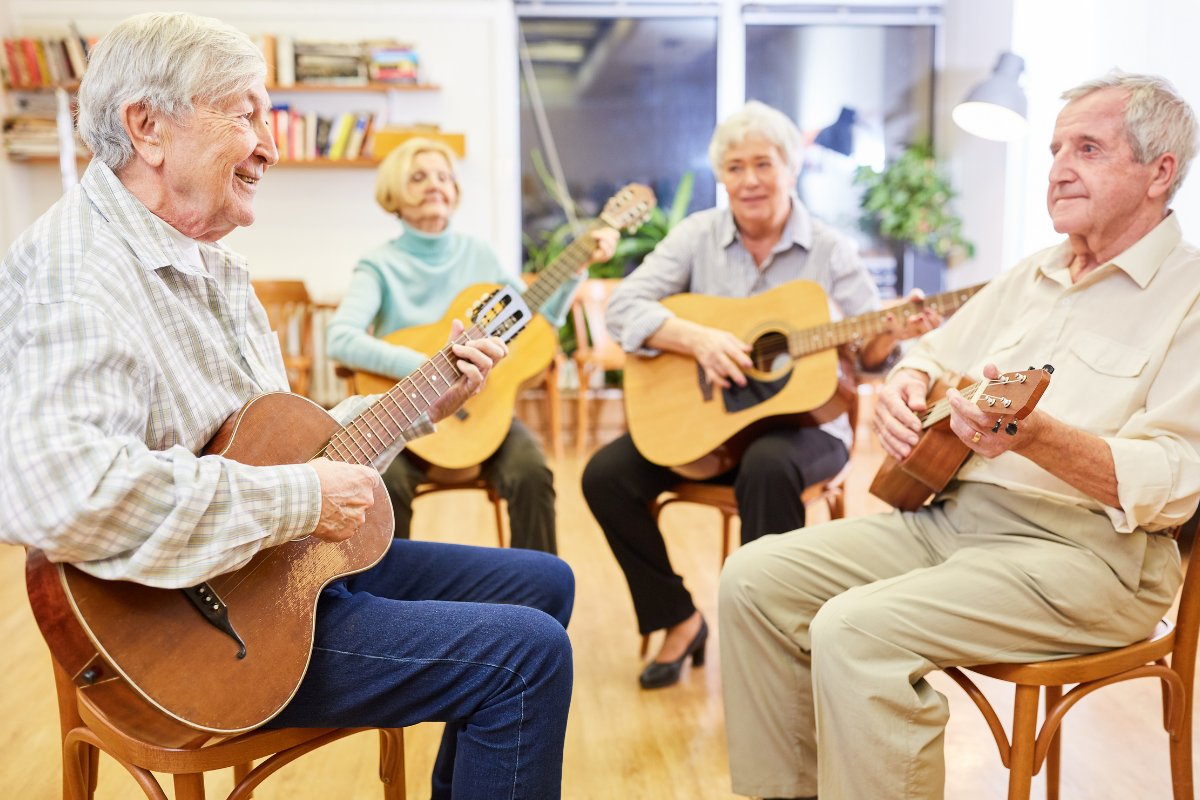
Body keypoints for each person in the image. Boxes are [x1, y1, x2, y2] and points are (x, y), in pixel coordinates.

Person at [0, 14, 574, 800]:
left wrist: (420, 403)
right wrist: (303, 496)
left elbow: (279, 448)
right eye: (245, 113)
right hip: (195, 633)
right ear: (148, 127)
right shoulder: (80, 270)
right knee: (527, 655)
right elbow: (57, 494)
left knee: (546, 585)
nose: (269, 144)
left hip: (273, 577)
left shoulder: (211, 264)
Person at [719, 72, 1200, 800]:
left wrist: (1037, 439)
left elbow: (1175, 480)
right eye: (1056, 149)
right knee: (752, 580)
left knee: (855, 632)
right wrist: (906, 388)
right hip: (950, 519)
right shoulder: (1031, 274)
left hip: (1090, 559)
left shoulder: (1190, 296)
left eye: (1089, 148)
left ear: (1160, 171)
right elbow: (931, 354)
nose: (1059, 168)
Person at [582, 100, 941, 689]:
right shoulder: (696, 235)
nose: (749, 180)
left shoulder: (829, 249)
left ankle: (768, 648)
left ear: (791, 168)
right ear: (721, 176)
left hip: (808, 429)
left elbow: (870, 360)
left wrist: (887, 333)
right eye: (735, 167)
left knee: (768, 465)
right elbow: (623, 307)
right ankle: (677, 618)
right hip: (711, 426)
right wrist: (695, 338)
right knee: (605, 475)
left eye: (764, 164)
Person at [327, 139, 618, 553]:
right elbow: (340, 337)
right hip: (405, 418)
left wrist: (578, 269)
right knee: (382, 487)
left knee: (532, 472)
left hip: (479, 412)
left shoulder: (479, 253)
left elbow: (532, 321)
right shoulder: (379, 264)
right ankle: (387, 608)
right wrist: (428, 367)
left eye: (444, 176)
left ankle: (536, 607)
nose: (435, 184)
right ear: (394, 192)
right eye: (419, 176)